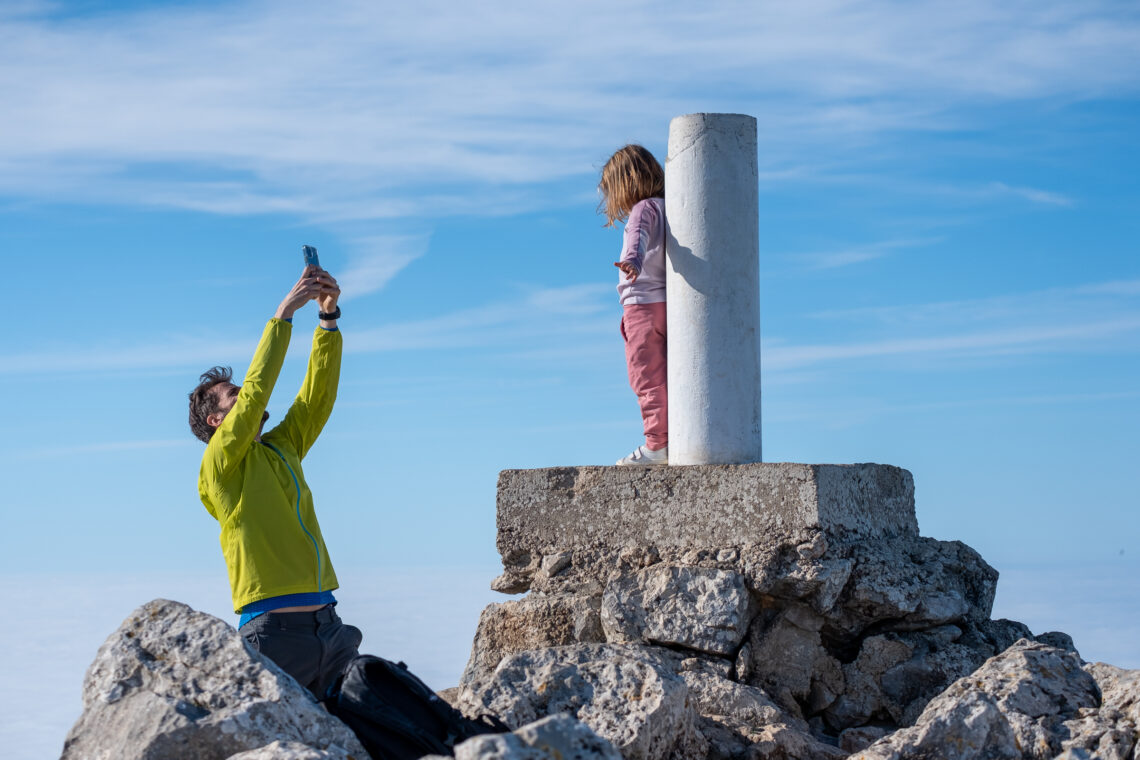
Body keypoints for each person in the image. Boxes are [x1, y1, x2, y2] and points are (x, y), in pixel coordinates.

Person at [187, 265, 361, 700]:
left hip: (330, 627)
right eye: (235, 396)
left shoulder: (282, 447)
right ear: (216, 421)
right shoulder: (220, 466)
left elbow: (316, 397)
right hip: (274, 636)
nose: (247, 395)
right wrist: (283, 315)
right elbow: (259, 391)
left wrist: (328, 319)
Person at [598, 144, 668, 466]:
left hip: (642, 306)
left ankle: (656, 445)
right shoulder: (670, 206)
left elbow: (637, 235)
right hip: (666, 304)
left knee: (646, 377)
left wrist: (631, 261)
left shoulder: (644, 209)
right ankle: (669, 438)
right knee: (666, 376)